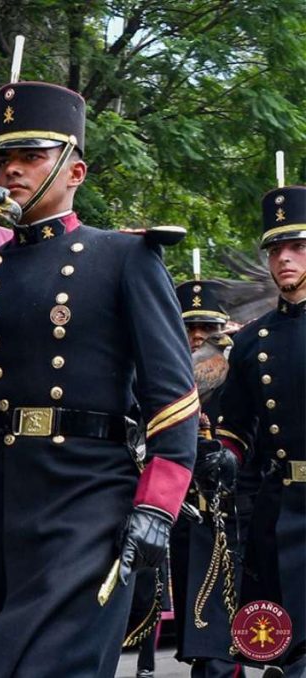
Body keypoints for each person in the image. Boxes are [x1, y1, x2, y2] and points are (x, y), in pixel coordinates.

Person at [0, 80, 197, 677]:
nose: (12, 170)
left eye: (31, 157)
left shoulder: (123, 257)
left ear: (75, 170)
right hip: (0, 500)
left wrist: (158, 504)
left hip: (90, 497)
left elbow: (172, 395)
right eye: (3, 158)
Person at [217, 185, 306, 677]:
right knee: (285, 647)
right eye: (275, 250)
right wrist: (220, 458)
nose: (284, 259)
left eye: (297, 247)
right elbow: (236, 426)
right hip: (282, 509)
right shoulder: (252, 340)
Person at [170, 280, 245, 678]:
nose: (198, 336)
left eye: (207, 328)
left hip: (234, 510)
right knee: (197, 619)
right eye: (189, 327)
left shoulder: (239, 371)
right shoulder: (161, 374)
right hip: (185, 511)